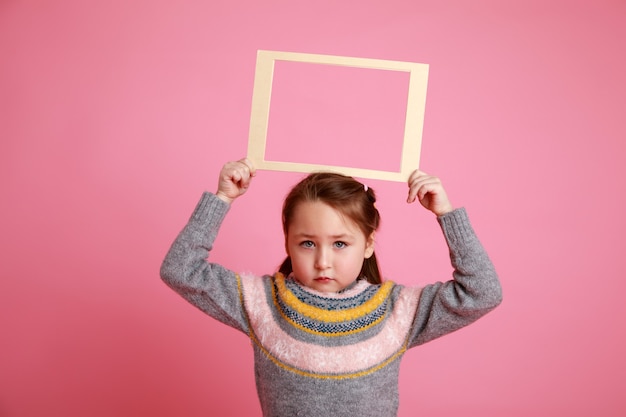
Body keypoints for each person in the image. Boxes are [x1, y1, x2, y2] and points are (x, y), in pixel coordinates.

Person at [160, 158, 502, 417]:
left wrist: (445, 212)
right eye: (307, 243)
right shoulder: (262, 303)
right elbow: (181, 269)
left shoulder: (397, 311)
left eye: (340, 244)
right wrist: (222, 198)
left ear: (368, 244)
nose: (323, 261)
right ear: (288, 243)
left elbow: (481, 291)